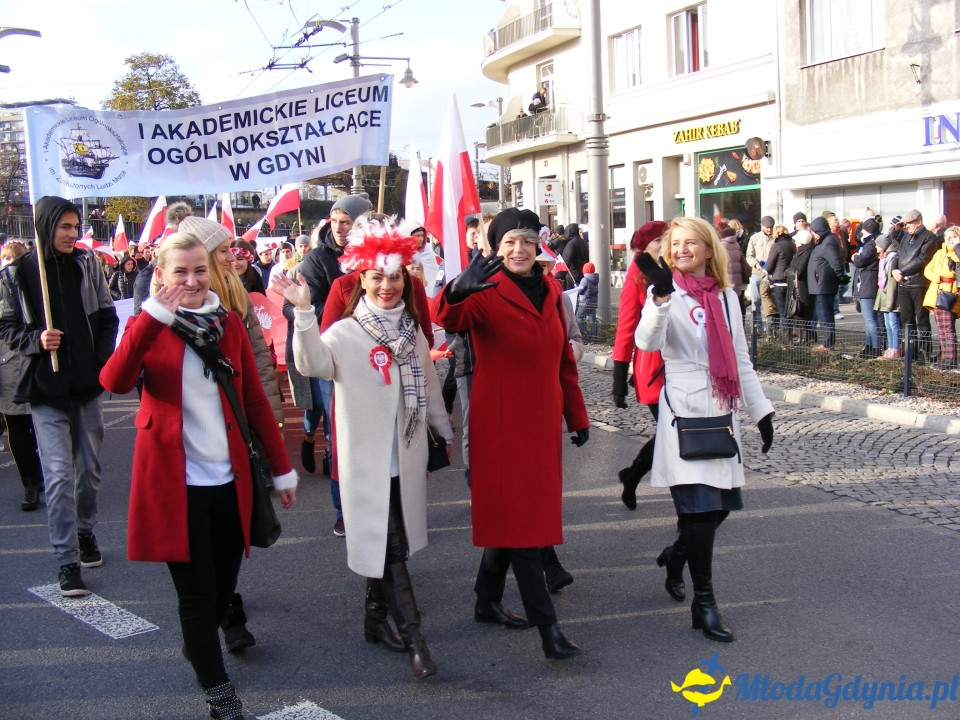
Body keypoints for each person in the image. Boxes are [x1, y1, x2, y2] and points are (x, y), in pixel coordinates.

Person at [100, 232, 297, 719]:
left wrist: (282, 468)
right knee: (195, 594)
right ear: (161, 275)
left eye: (199, 270)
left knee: (222, 587)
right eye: (179, 271)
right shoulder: (149, 324)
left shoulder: (228, 323)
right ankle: (220, 694)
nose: (190, 280)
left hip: (230, 479)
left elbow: (252, 397)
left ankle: (200, 647)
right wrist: (153, 319)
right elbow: (115, 380)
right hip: (174, 483)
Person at [280, 220, 452, 680]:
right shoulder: (344, 333)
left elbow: (430, 387)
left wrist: (444, 432)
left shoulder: (414, 332)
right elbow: (311, 363)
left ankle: (375, 618)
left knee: (386, 539)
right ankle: (417, 640)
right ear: (361, 279)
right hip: (366, 463)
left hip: (408, 456)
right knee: (392, 545)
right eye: (377, 276)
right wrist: (303, 315)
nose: (387, 285)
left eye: (395, 275)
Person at [436, 207, 590, 661]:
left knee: (515, 521)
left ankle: (486, 601)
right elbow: (451, 318)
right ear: (495, 249)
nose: (518, 249)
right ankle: (549, 630)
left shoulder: (552, 290)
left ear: (538, 245)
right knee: (525, 529)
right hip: (500, 426)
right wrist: (454, 291)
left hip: (540, 424)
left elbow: (564, 360)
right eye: (509, 243)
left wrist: (577, 416)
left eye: (526, 241)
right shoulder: (484, 290)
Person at [634, 217, 774, 643]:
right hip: (685, 413)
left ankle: (675, 556)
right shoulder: (663, 292)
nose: (681, 250)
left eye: (691, 243)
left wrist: (761, 411)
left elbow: (740, 358)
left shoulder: (727, 297)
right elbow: (646, 342)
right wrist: (658, 300)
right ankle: (705, 604)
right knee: (697, 511)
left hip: (723, 409)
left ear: (709, 249)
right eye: (675, 244)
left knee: (718, 510)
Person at [0, 196, 119, 596]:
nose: (73, 234)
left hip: (87, 386)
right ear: (44, 227)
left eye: (75, 226)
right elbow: (5, 327)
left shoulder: (88, 265)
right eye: (64, 226)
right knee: (57, 477)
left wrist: (101, 361)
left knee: (88, 471)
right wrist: (35, 340)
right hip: (46, 390)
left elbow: (107, 317)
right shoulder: (17, 274)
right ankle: (67, 561)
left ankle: (86, 531)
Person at [284, 193, 372, 535]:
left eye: (347, 221)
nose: (339, 228)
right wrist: (337, 312)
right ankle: (343, 509)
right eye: (334, 220)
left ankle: (380, 503)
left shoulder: (378, 255)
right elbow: (291, 307)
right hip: (333, 356)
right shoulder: (317, 260)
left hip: (376, 356)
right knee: (340, 435)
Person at [612, 221, 669, 511]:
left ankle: (632, 476)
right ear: (643, 246)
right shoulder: (637, 276)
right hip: (654, 366)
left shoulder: (673, 267)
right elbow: (626, 328)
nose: (666, 243)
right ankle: (633, 476)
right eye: (659, 239)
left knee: (673, 432)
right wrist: (619, 378)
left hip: (678, 366)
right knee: (672, 430)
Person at [0, 241, 45, 511]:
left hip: (34, 361)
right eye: (4, 257)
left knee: (42, 425)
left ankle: (43, 474)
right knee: (17, 428)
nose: (7, 262)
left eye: (12, 257)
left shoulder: (34, 285)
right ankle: (29, 482)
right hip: (6, 365)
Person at [893, 209, 938, 363]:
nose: (907, 226)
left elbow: (923, 259)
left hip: (919, 283)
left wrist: (901, 270)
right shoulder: (906, 238)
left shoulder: (929, 238)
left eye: (909, 223)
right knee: (907, 320)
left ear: (918, 222)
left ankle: (924, 354)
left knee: (922, 321)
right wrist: (894, 270)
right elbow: (897, 255)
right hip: (904, 283)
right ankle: (910, 352)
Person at [923, 225, 960, 370]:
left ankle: (950, 358)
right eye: (947, 237)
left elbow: (951, 274)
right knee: (940, 328)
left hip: (949, 295)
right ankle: (944, 357)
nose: (949, 240)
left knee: (948, 328)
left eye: (953, 237)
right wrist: (939, 276)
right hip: (936, 292)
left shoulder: (956, 254)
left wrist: (942, 274)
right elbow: (928, 270)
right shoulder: (939, 253)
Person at [807, 216, 844, 351]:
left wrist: (840, 277)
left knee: (825, 315)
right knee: (824, 315)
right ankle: (827, 342)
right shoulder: (824, 241)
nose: (813, 234)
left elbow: (836, 263)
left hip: (824, 285)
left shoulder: (828, 242)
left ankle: (827, 344)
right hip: (821, 284)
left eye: (814, 231)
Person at [852, 218, 882, 358]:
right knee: (869, 319)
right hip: (868, 283)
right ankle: (869, 345)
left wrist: (855, 257)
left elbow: (862, 260)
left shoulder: (870, 244)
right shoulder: (871, 242)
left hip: (868, 284)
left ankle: (875, 347)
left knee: (870, 319)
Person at [765, 224, 796, 336]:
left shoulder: (776, 246)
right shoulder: (792, 245)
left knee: (782, 312)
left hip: (779, 281)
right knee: (790, 310)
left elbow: (769, 266)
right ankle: (791, 334)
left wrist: (769, 273)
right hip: (791, 281)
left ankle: (785, 336)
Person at [874, 236, 901, 358]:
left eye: (877, 244)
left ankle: (895, 348)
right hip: (885, 295)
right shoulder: (884, 258)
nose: (875, 247)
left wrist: (889, 300)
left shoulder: (893, 258)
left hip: (892, 296)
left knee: (893, 323)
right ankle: (890, 347)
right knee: (887, 323)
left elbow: (892, 283)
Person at [744, 216, 775, 317]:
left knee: (770, 300)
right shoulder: (754, 238)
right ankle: (757, 327)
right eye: (767, 227)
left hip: (770, 273)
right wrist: (755, 264)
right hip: (757, 272)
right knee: (755, 300)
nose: (769, 229)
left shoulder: (776, 238)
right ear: (762, 226)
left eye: (771, 227)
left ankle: (771, 325)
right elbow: (749, 255)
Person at [575, 261, 599, 340]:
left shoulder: (585, 279)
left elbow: (580, 290)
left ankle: (585, 333)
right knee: (593, 319)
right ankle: (594, 336)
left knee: (578, 317)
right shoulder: (595, 279)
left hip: (584, 302)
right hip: (593, 301)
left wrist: (576, 287)